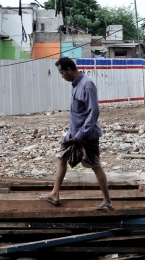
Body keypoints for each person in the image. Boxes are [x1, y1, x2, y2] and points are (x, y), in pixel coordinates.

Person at [39, 57, 112, 210]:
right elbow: (77, 113)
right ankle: (54, 194)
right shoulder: (75, 84)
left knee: (95, 165)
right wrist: (71, 133)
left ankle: (107, 201)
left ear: (69, 70)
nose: (61, 76)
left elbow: (94, 112)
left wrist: (81, 133)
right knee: (61, 157)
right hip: (73, 134)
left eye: (62, 73)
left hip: (86, 135)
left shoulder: (87, 85)